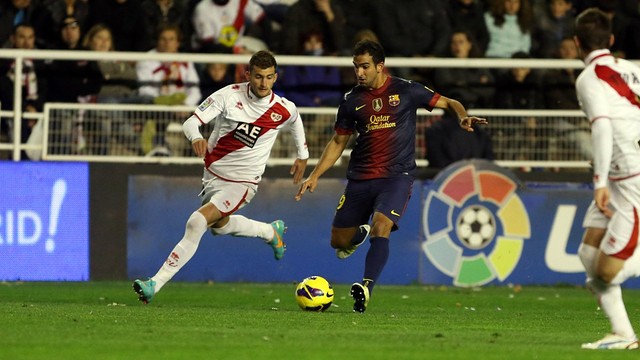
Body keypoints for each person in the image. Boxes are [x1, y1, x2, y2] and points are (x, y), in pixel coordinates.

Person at [294, 40, 487, 313]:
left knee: (382, 226)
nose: (359, 73)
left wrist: (462, 116)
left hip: (397, 176)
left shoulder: (406, 90)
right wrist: (315, 175)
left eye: (364, 67)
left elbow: (449, 101)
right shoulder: (351, 101)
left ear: (379, 67)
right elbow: (338, 142)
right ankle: (359, 233)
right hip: (361, 177)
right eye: (355, 67)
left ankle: (366, 287)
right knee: (338, 242)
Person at [132, 50, 309, 304]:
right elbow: (191, 122)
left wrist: (302, 154)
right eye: (258, 77)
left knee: (197, 221)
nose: (263, 83)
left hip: (244, 182)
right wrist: (196, 136)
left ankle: (154, 284)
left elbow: (295, 119)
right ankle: (270, 232)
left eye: (269, 77)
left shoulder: (282, 108)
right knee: (219, 226)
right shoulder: (228, 95)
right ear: (248, 74)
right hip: (214, 175)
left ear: (275, 77)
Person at [574, 7, 640, 350]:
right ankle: (623, 335)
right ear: (611, 40)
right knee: (588, 254)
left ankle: (625, 335)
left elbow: (602, 126)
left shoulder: (589, 77)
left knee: (603, 274)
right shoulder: (630, 69)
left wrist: (599, 180)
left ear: (575, 43)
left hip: (630, 179)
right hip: (619, 173)